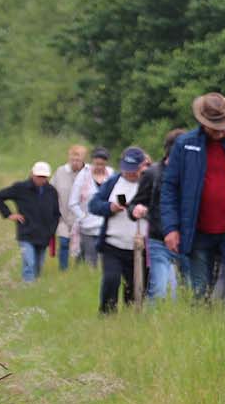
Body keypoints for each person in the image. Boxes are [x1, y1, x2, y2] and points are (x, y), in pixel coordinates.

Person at [160, 93, 225, 315]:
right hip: (196, 229)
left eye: (222, 125)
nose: (218, 130)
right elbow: (169, 187)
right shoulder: (184, 145)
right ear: (202, 121)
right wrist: (171, 228)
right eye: (213, 125)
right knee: (198, 288)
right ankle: (200, 329)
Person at [88, 147, 151, 314]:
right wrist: (110, 207)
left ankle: (130, 320)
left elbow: (160, 209)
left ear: (142, 166)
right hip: (112, 244)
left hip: (139, 247)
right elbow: (93, 205)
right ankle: (107, 315)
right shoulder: (113, 182)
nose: (129, 173)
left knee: (135, 287)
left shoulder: (150, 182)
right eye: (126, 169)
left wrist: (145, 212)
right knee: (111, 279)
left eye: (133, 170)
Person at [132, 128, 182, 303]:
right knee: (160, 289)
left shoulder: (192, 175)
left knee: (182, 293)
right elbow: (136, 202)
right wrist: (136, 209)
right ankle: (151, 323)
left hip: (187, 241)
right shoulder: (152, 173)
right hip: (158, 239)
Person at [0, 162, 62, 283]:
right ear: (32, 174)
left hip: (44, 235)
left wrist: (51, 230)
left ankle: (33, 291)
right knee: (29, 263)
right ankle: (27, 286)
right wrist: (9, 214)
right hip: (26, 233)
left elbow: (56, 213)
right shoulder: (20, 188)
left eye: (44, 177)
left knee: (38, 267)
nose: (41, 179)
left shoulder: (51, 191)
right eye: (39, 176)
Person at [69, 148, 112, 268]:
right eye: (96, 164)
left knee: (106, 260)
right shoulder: (83, 176)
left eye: (102, 164)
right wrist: (83, 217)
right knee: (91, 260)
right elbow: (73, 202)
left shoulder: (111, 175)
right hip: (88, 227)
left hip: (106, 226)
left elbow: (120, 194)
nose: (99, 167)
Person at [51, 145, 87, 270]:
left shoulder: (87, 173)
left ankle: (79, 268)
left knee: (82, 246)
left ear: (83, 159)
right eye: (73, 159)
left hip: (82, 216)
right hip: (63, 215)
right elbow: (52, 191)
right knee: (64, 243)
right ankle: (63, 269)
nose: (75, 163)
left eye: (78, 160)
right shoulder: (60, 172)